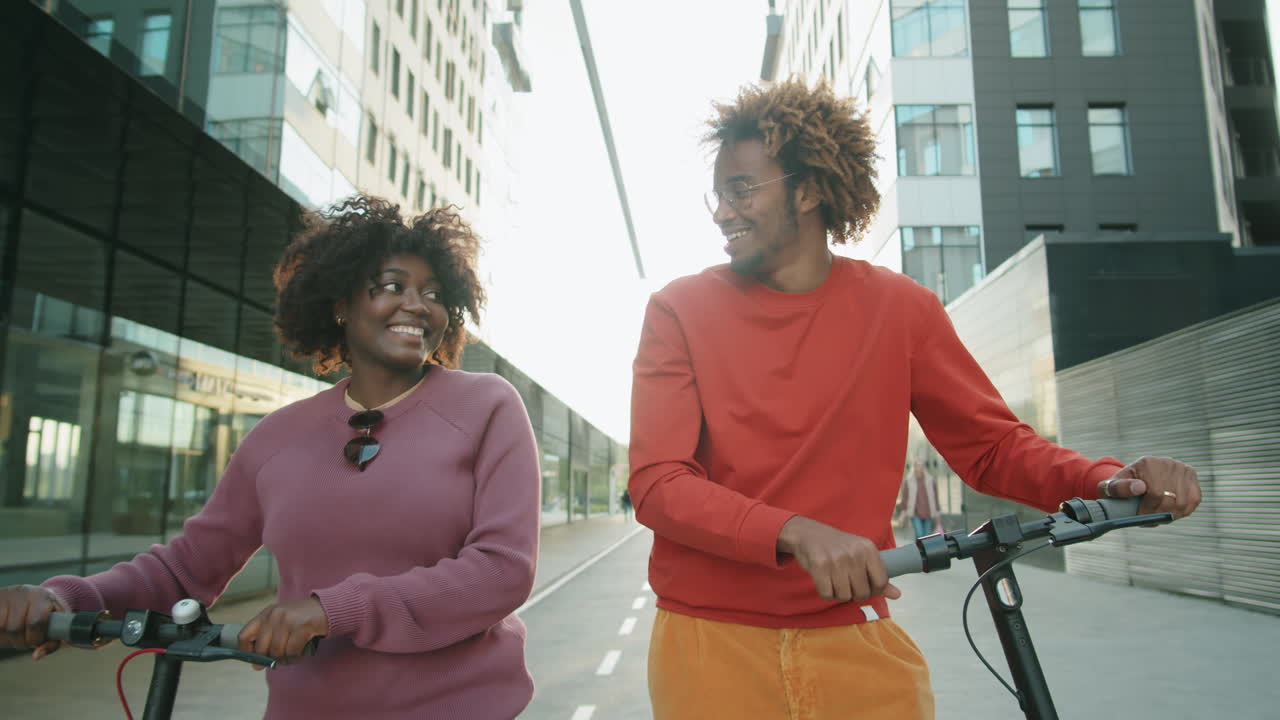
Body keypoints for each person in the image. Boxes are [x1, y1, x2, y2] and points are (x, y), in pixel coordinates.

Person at [627, 78, 1202, 720]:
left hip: (853, 631)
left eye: (741, 189)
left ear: (809, 189)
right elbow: (657, 482)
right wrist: (794, 532)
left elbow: (992, 447)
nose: (722, 211)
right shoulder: (678, 309)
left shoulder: (901, 310)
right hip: (708, 642)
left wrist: (1107, 482)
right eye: (719, 192)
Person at [0, 196, 541, 719]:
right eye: (391, 287)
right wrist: (66, 597)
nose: (417, 305)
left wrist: (334, 611)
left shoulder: (487, 405)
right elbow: (188, 567)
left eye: (435, 293)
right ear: (339, 305)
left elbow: (501, 570)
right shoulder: (278, 435)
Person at [896, 460, 942, 539]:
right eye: (917, 467)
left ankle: (925, 551)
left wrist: (938, 519)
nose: (919, 469)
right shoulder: (908, 481)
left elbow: (935, 499)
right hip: (915, 513)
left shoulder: (930, 481)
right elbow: (905, 498)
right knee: (920, 534)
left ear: (923, 468)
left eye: (921, 467)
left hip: (929, 513)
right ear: (914, 468)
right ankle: (919, 550)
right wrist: (903, 514)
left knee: (927, 536)